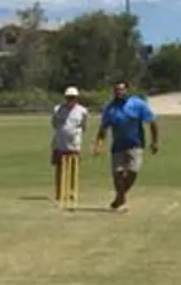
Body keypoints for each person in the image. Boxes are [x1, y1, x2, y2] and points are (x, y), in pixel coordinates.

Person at [94, 81, 159, 212]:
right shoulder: (110, 107)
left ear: (127, 90)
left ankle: (120, 197)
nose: (119, 92)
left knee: (133, 171)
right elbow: (103, 128)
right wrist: (99, 144)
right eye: (116, 90)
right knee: (117, 174)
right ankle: (121, 197)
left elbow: (152, 122)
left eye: (121, 89)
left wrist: (155, 142)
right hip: (118, 145)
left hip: (135, 144)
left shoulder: (137, 104)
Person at [51, 86, 89, 205]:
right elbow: (54, 124)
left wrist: (76, 134)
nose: (70, 100)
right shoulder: (58, 109)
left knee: (73, 168)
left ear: (77, 98)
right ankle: (59, 191)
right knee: (60, 169)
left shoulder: (82, 111)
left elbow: (84, 126)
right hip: (60, 143)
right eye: (68, 97)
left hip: (74, 144)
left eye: (72, 97)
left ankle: (72, 191)